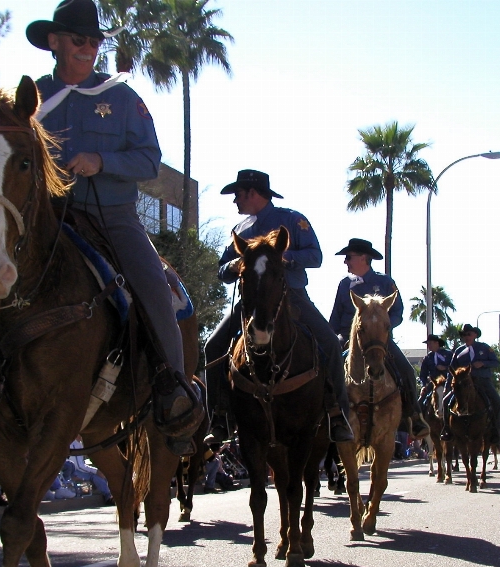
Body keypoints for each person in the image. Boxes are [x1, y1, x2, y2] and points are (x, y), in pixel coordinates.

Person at [25, 0, 200, 453]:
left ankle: (174, 389)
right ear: (55, 42)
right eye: (78, 39)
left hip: (112, 220)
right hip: (48, 217)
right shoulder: (33, 98)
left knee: (155, 289)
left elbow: (148, 160)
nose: (88, 48)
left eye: (94, 41)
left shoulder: (121, 97)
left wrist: (101, 160)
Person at [203, 169, 354, 445]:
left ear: (252, 192)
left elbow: (315, 256)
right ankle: (220, 418)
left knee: (331, 343)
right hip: (249, 304)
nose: (234, 201)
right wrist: (234, 265)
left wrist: (281, 257)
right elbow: (221, 270)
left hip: (291, 298)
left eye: (237, 194)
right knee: (212, 347)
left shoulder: (292, 220)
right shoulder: (239, 231)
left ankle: (337, 414)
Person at [329, 238, 429, 439]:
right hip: (348, 339)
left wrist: (381, 328)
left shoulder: (385, 282)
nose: (345, 262)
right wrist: (333, 339)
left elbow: (398, 312)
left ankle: (415, 416)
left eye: (349, 257)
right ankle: (331, 416)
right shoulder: (344, 284)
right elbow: (335, 317)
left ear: (363, 258)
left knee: (407, 371)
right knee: (327, 369)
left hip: (378, 340)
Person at [441, 324, 500, 447]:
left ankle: (496, 431)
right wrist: (447, 387)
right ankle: (447, 429)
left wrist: (483, 363)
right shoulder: (459, 351)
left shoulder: (484, 348)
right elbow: (452, 370)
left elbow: (496, 362)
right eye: (464, 335)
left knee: (497, 402)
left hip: (482, 382)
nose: (466, 337)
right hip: (463, 384)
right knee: (445, 401)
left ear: (475, 335)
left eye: (469, 334)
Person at [64, 435, 114, 504]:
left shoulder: (79, 443)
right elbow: (79, 466)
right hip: (74, 471)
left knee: (99, 474)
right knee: (94, 475)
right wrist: (96, 471)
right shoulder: (73, 444)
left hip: (79, 469)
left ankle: (109, 494)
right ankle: (108, 496)